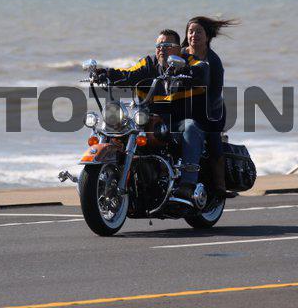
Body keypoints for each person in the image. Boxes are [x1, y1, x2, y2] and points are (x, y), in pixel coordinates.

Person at [96, 29, 210, 204]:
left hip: (181, 119)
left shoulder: (190, 62)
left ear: (178, 48)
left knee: (191, 128)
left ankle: (187, 184)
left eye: (167, 45)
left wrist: (186, 71)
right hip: (150, 119)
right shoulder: (149, 63)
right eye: (158, 45)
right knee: (118, 129)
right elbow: (129, 73)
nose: (161, 49)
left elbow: (202, 69)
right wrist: (106, 74)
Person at [182, 16, 239, 198]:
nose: (194, 35)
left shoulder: (213, 61)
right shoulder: (180, 56)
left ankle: (220, 186)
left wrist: (199, 110)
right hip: (182, 107)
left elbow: (215, 93)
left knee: (213, 140)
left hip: (212, 109)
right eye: (191, 31)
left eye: (199, 32)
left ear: (207, 36)